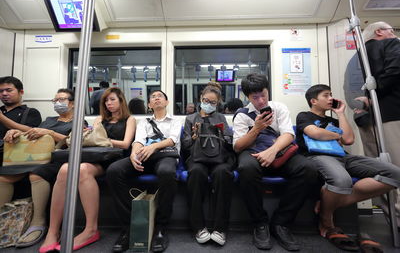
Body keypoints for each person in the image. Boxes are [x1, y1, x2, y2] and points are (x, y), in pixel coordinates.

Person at [295, 84, 400, 251]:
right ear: (313, 101)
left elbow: (349, 140)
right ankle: (326, 218)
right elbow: (315, 133)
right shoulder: (304, 116)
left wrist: (341, 113)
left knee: (395, 173)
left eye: (331, 94)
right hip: (318, 156)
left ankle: (329, 204)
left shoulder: (333, 120)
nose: (331, 98)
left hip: (343, 157)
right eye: (326, 95)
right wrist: (338, 135)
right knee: (341, 180)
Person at [40, 87, 136, 253]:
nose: (109, 103)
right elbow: (92, 139)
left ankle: (91, 229)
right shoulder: (99, 119)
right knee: (64, 169)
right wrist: (92, 135)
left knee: (83, 170)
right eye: (106, 100)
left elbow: (126, 144)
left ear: (121, 101)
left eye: (112, 99)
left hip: (115, 160)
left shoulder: (129, 120)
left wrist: (102, 139)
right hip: (97, 158)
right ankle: (53, 231)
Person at [233, 73, 318, 251]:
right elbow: (238, 146)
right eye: (255, 97)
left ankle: (281, 223)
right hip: (252, 154)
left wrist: (272, 151)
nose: (261, 101)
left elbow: (288, 134)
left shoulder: (278, 107)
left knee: (308, 168)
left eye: (264, 94)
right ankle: (260, 223)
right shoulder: (242, 115)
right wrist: (256, 129)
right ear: (247, 97)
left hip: (278, 151)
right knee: (246, 168)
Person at [107, 90, 181, 253]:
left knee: (167, 172)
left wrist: (152, 146)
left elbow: (172, 140)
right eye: (152, 97)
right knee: (114, 171)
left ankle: (161, 227)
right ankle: (129, 227)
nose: (156, 98)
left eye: (159, 96)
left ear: (167, 102)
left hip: (165, 155)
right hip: (144, 156)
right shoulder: (144, 122)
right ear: (149, 105)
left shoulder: (175, 121)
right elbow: (138, 140)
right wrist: (134, 154)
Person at [0, 88, 74, 248]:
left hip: (57, 159)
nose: (58, 103)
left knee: (36, 174)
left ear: (73, 103)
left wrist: (50, 133)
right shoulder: (48, 119)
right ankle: (3, 219)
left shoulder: (79, 121)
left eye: (62, 99)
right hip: (34, 157)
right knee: (3, 177)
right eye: (55, 101)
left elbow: (74, 142)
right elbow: (32, 133)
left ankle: (38, 221)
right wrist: (15, 132)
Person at [182, 82, 235, 246]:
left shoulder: (221, 118)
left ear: (218, 103)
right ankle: (198, 226)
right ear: (200, 99)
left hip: (218, 158)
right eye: (206, 100)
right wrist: (194, 136)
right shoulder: (190, 119)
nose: (209, 104)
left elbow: (229, 142)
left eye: (213, 102)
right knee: (196, 173)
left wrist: (220, 134)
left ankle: (220, 228)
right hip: (197, 158)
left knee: (223, 173)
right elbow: (185, 146)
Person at [363, 21, 400, 224]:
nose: (393, 33)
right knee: (396, 167)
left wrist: (369, 98)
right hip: (393, 112)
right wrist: (374, 93)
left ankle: (391, 217)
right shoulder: (393, 44)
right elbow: (395, 70)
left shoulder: (360, 55)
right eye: (390, 29)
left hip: (372, 118)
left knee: (381, 169)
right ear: (379, 32)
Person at [0, 76, 42, 163]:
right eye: (1, 91)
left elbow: (33, 132)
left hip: (14, 159)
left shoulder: (30, 112)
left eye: (9, 90)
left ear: (21, 92)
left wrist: (2, 118)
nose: (4, 93)